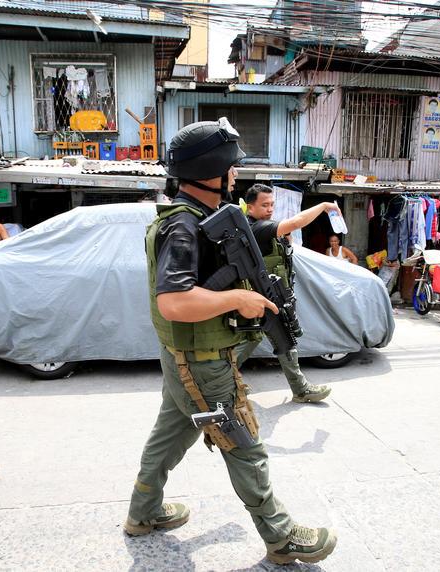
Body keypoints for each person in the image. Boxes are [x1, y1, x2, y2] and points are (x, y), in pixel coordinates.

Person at [124, 119, 336, 565]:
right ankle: (281, 537)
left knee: (169, 435)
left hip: (186, 359)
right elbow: (174, 302)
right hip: (200, 363)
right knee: (244, 444)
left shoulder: (206, 220)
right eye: (232, 166)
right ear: (211, 169)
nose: (236, 174)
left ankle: (143, 513)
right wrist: (237, 298)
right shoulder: (181, 225)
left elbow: (259, 237)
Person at [236, 184, 340, 404]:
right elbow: (295, 222)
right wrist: (322, 205)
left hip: (272, 295)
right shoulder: (256, 227)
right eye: (264, 205)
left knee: (278, 339)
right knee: (268, 339)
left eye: (272, 204)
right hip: (264, 296)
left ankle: (299, 389)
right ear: (250, 207)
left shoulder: (259, 227)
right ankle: (219, 380)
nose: (270, 209)